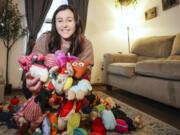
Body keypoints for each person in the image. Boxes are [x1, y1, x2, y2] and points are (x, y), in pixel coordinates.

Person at [23, 4, 94, 99]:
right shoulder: (45, 38)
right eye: (60, 21)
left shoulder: (86, 44)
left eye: (69, 20)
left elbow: (86, 76)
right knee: (26, 85)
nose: (64, 25)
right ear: (55, 24)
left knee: (87, 94)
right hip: (47, 85)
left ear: (76, 23)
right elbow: (33, 65)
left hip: (72, 87)